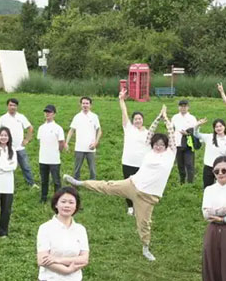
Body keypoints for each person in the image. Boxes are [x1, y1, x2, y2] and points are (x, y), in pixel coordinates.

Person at [65, 105, 175, 261]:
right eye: (156, 144)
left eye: (161, 144)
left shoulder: (170, 154)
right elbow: (151, 132)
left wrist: (166, 118)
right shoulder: (150, 151)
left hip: (148, 197)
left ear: (166, 146)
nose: (158, 146)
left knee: (144, 224)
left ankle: (145, 247)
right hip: (132, 184)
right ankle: (80, 182)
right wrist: (158, 116)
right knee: (107, 186)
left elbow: (171, 135)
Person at [0, 98, 37, 188]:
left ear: (17, 107)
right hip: (8, 148)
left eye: (14, 105)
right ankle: (6, 184)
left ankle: (31, 183)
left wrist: (27, 139)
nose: (12, 107)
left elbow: (30, 128)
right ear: (7, 106)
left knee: (26, 166)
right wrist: (0, 141)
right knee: (6, 166)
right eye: (10, 105)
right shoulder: (3, 118)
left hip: (20, 147)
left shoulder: (21, 117)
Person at [119, 89, 149, 214]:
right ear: (133, 121)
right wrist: (121, 99)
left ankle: (139, 205)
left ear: (143, 120)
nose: (138, 120)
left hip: (141, 163)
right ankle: (130, 207)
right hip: (128, 162)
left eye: (140, 119)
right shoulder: (129, 129)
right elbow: (124, 112)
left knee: (140, 186)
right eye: (135, 119)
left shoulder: (148, 133)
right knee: (128, 185)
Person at [66, 96, 102, 180]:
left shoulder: (94, 116)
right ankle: (75, 184)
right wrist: (66, 143)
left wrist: (95, 143)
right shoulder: (77, 117)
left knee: (92, 169)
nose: (85, 105)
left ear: (90, 105)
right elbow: (71, 130)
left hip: (91, 148)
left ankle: (93, 185)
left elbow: (99, 131)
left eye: (87, 103)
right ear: (80, 105)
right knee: (77, 169)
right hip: (79, 148)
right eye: (83, 103)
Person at [193, 118, 226, 188]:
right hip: (208, 167)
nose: (219, 128)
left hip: (222, 168)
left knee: (222, 187)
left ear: (224, 127)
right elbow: (196, 134)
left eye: (220, 126)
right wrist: (197, 125)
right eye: (216, 127)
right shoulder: (209, 137)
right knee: (207, 187)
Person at [37, 104, 66, 204]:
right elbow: (40, 141)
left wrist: (58, 151)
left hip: (54, 159)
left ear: (54, 114)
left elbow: (61, 143)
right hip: (43, 159)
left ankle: (58, 198)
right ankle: (43, 197)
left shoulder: (58, 128)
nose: (47, 114)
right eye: (46, 112)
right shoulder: (41, 128)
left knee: (56, 181)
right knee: (44, 180)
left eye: (49, 112)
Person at [171, 99, 199, 184]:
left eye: (185, 106)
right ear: (178, 107)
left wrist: (187, 133)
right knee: (180, 164)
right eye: (181, 106)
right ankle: (182, 181)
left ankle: (190, 182)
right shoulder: (175, 117)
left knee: (189, 164)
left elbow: (195, 131)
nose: (183, 108)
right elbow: (171, 129)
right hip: (178, 144)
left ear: (188, 107)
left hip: (188, 144)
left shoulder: (192, 118)